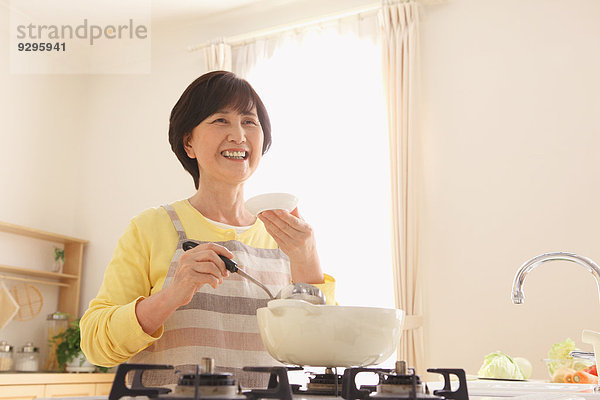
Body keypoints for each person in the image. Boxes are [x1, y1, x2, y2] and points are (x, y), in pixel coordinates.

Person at [80, 71, 335, 388]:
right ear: (188, 142)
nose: (239, 135)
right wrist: (171, 296)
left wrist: (308, 257)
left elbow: (325, 349)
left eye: (249, 121)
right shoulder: (151, 228)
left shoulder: (284, 233)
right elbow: (94, 345)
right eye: (220, 120)